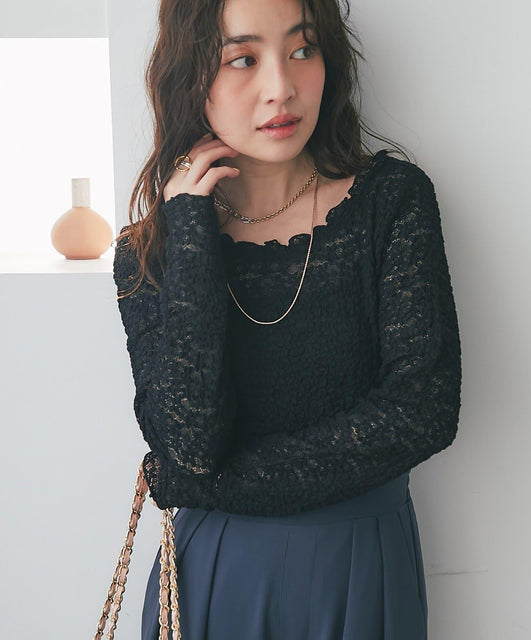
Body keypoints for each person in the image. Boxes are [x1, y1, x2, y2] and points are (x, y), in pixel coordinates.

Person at [112, 0, 462, 638]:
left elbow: (422, 411)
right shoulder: (154, 251)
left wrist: (207, 485)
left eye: (303, 49)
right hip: (215, 574)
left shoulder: (391, 201)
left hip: (360, 570)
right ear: (189, 76)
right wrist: (190, 231)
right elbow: (190, 445)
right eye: (242, 59)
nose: (281, 86)